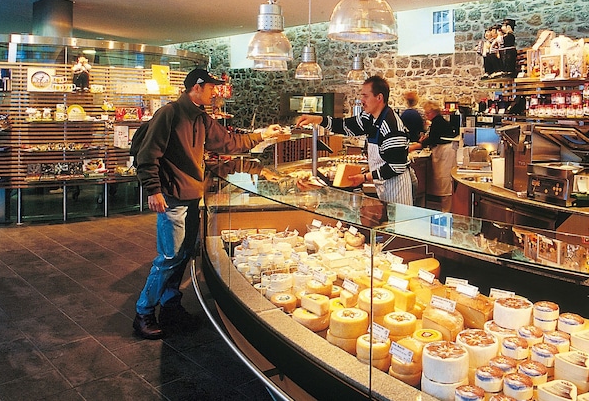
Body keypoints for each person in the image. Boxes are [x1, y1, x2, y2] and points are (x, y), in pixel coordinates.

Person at [132, 68, 282, 339]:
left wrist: (262, 134)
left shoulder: (202, 118)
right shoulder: (170, 114)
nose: (215, 92)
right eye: (212, 87)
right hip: (172, 199)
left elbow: (229, 143)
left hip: (191, 197)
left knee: (182, 256)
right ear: (197, 87)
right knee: (168, 257)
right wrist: (153, 190)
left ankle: (170, 306)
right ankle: (143, 312)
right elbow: (148, 154)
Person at [296, 75, 413, 205]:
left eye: (365, 96)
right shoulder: (369, 117)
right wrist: (318, 119)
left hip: (396, 187)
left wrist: (364, 177)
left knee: (399, 224)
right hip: (382, 184)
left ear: (379, 97)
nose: (362, 100)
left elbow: (396, 166)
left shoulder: (391, 126)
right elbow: (347, 126)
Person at [416, 101, 459, 212]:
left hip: (445, 153)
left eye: (427, 113)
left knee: (445, 183)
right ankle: (445, 209)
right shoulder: (437, 121)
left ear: (433, 112)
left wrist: (419, 144)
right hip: (442, 152)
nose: (426, 115)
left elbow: (433, 139)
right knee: (442, 183)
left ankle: (447, 211)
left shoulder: (438, 122)